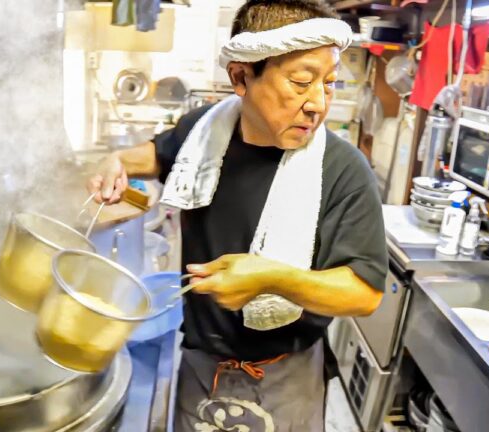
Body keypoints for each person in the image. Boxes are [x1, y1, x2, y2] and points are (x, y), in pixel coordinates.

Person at [87, 1, 388, 430]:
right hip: (201, 365)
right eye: (302, 83)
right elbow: (156, 153)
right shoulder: (205, 132)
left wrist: (271, 278)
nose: (318, 104)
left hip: (286, 376)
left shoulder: (342, 170)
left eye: (329, 83)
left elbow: (364, 293)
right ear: (241, 77)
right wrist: (117, 160)